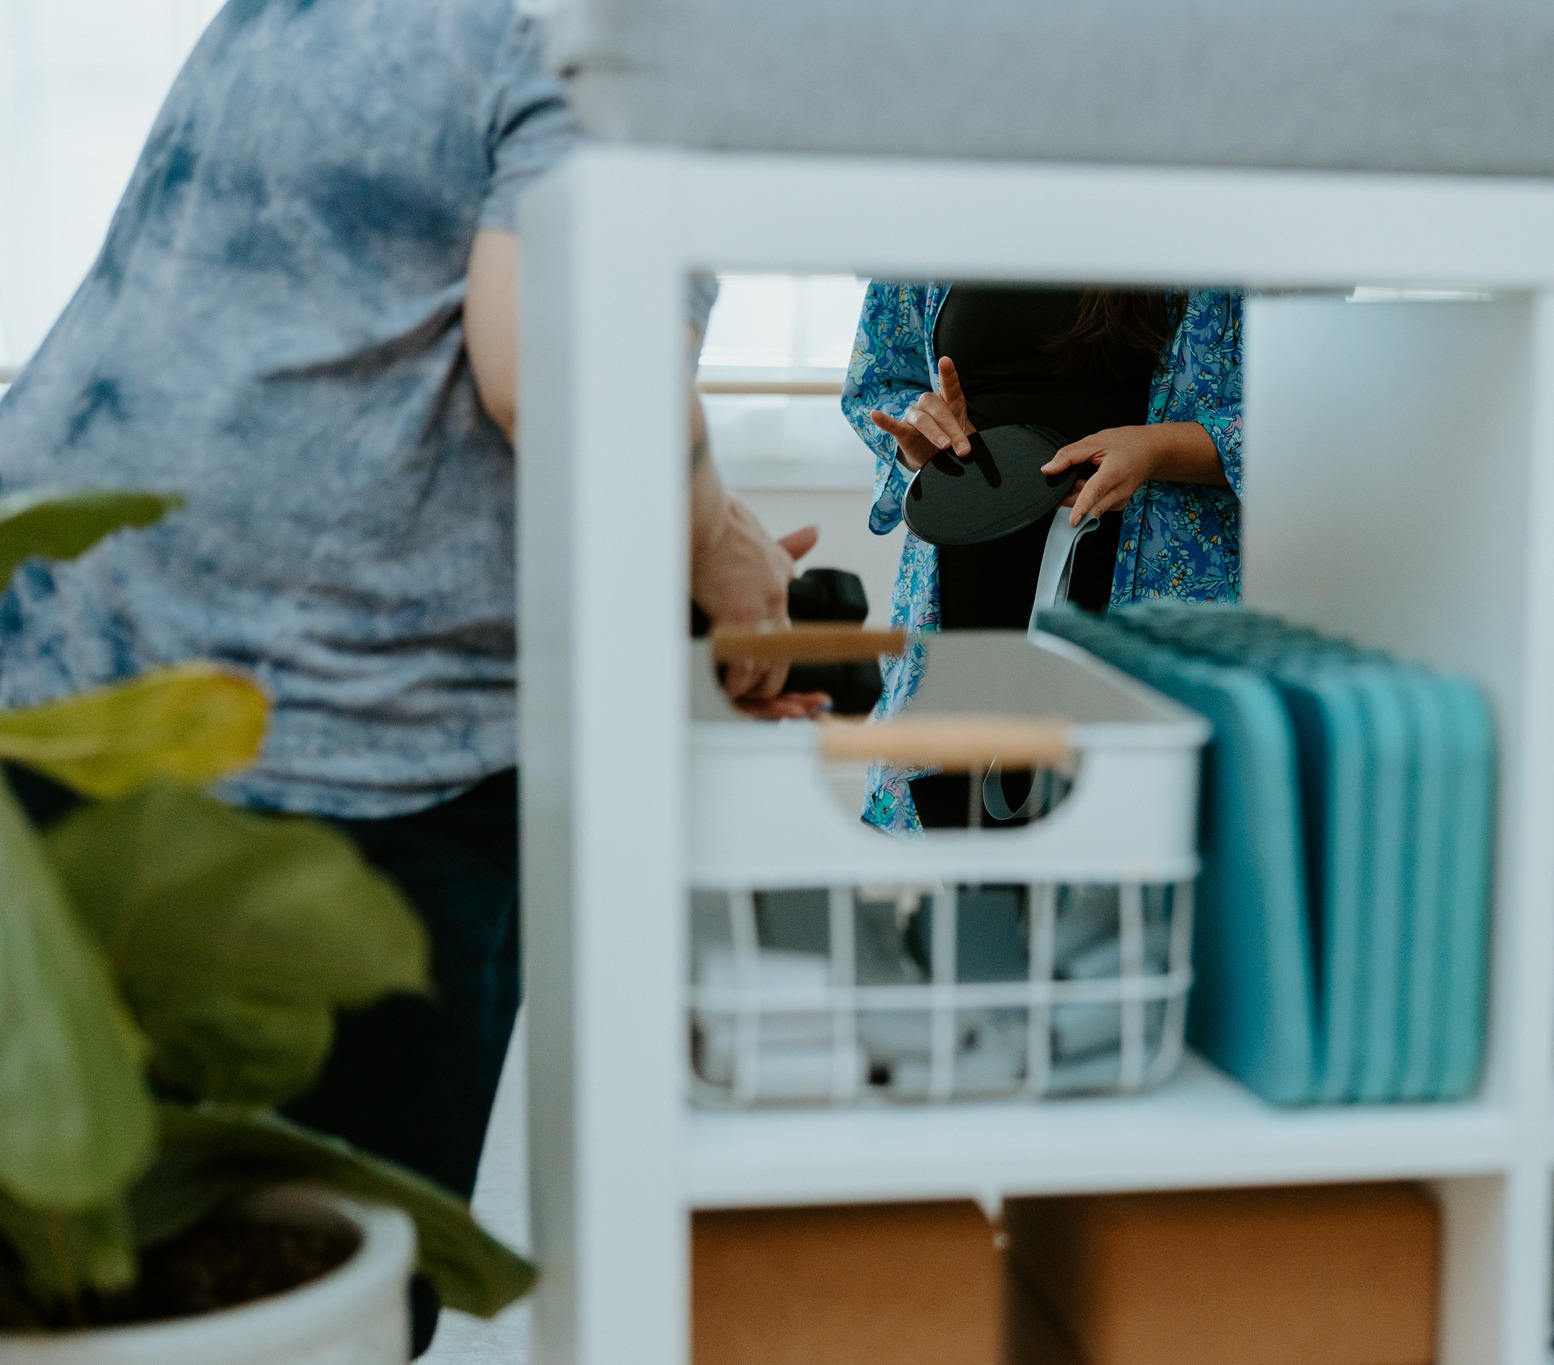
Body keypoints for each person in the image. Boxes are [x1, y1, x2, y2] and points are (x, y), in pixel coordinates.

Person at [0, 0, 805, 1349]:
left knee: (81, 1260)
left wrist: (707, 538)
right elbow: (564, 372)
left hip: (65, 670)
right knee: (298, 1297)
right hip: (319, 728)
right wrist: (717, 540)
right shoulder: (623, 25)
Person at [841, 284, 1245, 830]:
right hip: (963, 619)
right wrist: (917, 432)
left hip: (1148, 626)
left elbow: (1305, 415)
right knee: (974, 886)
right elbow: (879, 380)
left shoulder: (1229, 228)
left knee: (1137, 886)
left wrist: (1157, 450)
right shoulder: (936, 216)